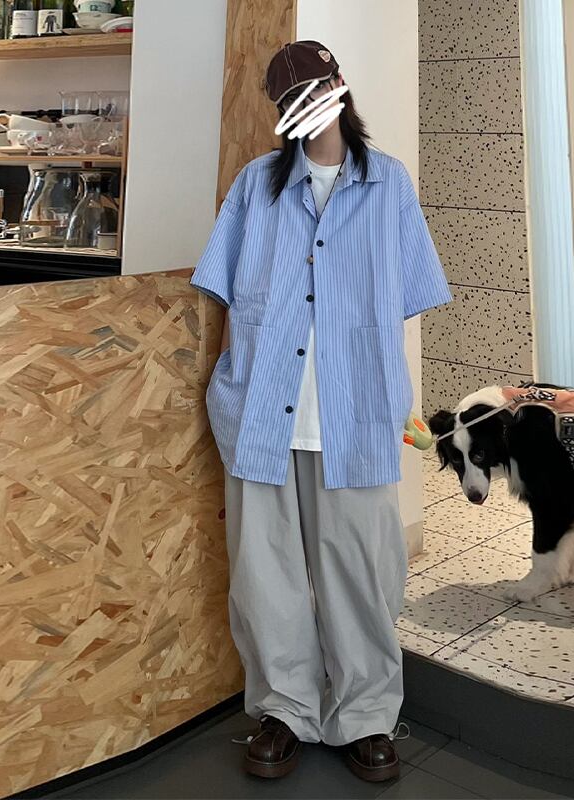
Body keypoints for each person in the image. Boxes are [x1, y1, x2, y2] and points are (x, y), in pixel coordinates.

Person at [190, 40, 452, 783]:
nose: (304, 108)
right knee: (264, 574)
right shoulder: (255, 186)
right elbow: (222, 287)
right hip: (261, 415)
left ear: (339, 87)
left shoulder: (389, 184)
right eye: (289, 99)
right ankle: (283, 711)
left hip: (354, 413)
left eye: (314, 90)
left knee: (363, 571)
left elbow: (409, 294)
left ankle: (366, 716)